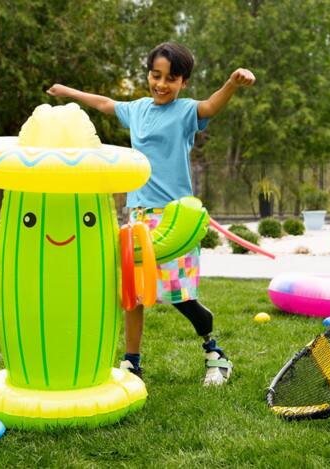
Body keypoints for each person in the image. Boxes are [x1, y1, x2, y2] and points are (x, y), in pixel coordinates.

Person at [47, 42, 255, 386]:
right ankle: (132, 362)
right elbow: (104, 103)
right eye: (155, 75)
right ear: (148, 74)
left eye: (170, 78)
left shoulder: (187, 111)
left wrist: (232, 84)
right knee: (133, 294)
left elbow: (211, 105)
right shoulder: (138, 109)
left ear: (183, 82)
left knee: (179, 295)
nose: (161, 84)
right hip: (139, 216)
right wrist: (67, 91)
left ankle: (216, 354)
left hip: (175, 218)